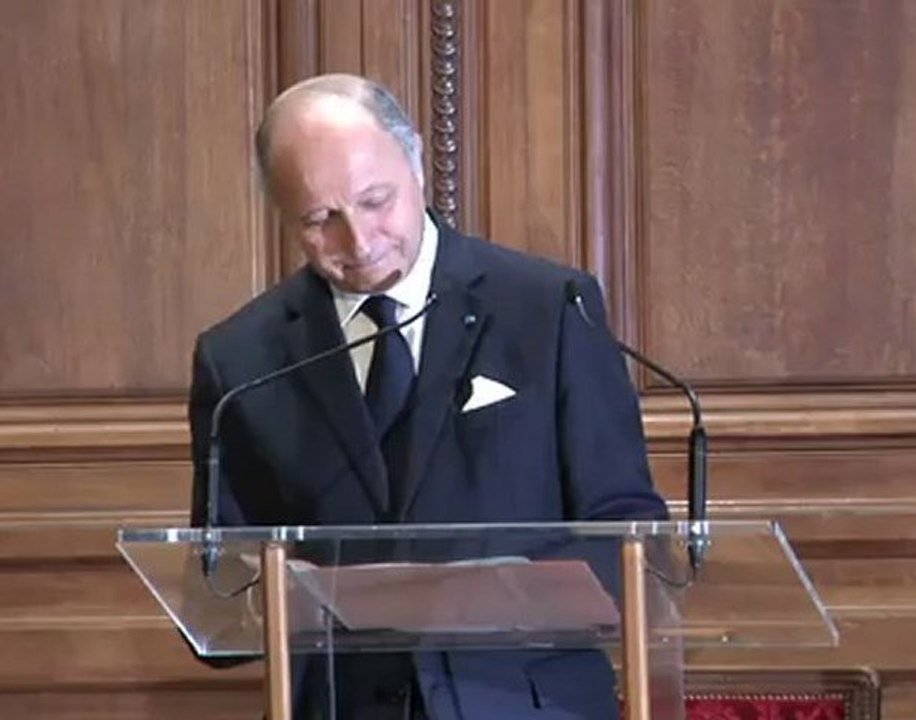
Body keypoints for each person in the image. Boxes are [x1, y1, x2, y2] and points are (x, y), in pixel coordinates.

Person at [188, 73, 667, 720]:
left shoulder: (546, 309)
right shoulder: (240, 359)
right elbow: (220, 589)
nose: (358, 242)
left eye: (376, 200)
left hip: (524, 703)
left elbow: (628, 530)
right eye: (320, 219)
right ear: (280, 212)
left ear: (415, 162)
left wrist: (479, 597)